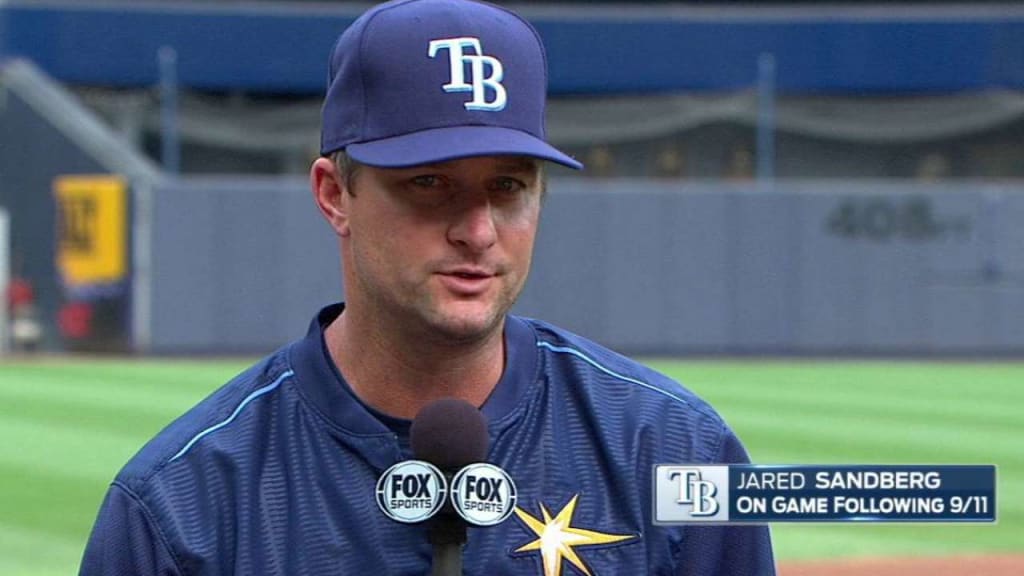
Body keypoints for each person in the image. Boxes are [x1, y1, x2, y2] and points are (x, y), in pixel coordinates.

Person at [79, 1, 775, 574]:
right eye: (429, 183)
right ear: (334, 194)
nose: (478, 230)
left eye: (508, 186)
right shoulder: (184, 502)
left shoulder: (677, 453)